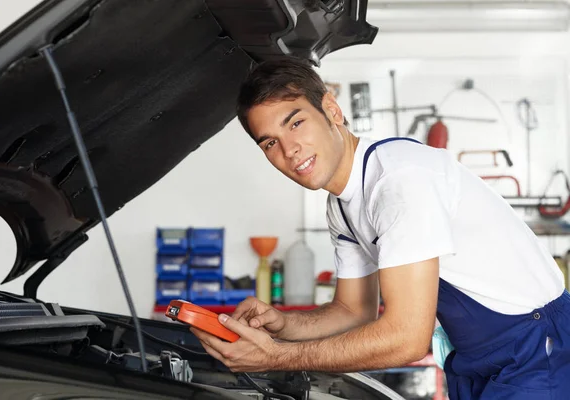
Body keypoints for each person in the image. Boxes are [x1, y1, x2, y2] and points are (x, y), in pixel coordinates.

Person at [190, 57, 570, 399]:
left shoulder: (399, 182)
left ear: (332, 109)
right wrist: (282, 324)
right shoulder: (341, 204)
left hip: (537, 348)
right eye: (270, 142)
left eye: (296, 123)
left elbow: (407, 338)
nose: (289, 150)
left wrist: (276, 356)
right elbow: (353, 311)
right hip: (479, 357)